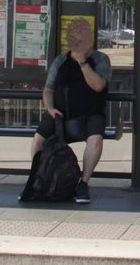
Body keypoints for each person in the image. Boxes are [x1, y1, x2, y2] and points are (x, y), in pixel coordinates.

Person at [29, 17, 111, 203]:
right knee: (38, 139)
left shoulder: (101, 59)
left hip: (91, 113)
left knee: (96, 139)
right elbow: (48, 90)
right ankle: (37, 179)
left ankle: (83, 183)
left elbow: (98, 85)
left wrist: (82, 62)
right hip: (61, 113)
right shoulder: (61, 60)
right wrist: (50, 108)